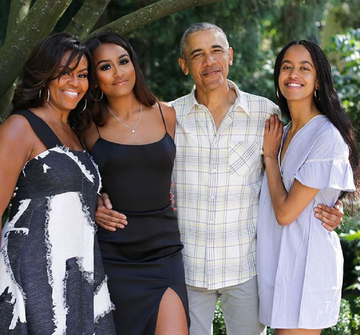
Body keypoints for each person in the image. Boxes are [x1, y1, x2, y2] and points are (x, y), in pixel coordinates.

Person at [95, 23, 344, 335]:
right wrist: (96, 198)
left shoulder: (266, 115)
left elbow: (302, 168)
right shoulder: (168, 118)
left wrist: (333, 205)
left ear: (230, 56)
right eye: (197, 54)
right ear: (184, 66)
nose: (208, 61)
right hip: (187, 269)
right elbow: (130, 169)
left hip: (246, 269)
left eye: (215, 51)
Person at [0, 32, 115, 335]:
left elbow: (68, 195)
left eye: (82, 75)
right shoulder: (19, 127)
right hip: (34, 279)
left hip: (79, 276)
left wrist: (97, 202)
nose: (75, 83)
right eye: (65, 74)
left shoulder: (76, 133)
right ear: (44, 75)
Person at [73, 32, 189, 335]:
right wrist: (92, 203)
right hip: (114, 253)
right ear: (94, 78)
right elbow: (72, 179)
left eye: (123, 61)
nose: (118, 72)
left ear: (134, 65)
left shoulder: (167, 114)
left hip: (164, 249)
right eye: (105, 66)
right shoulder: (87, 128)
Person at [257, 40, 359, 334]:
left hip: (306, 268)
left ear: (317, 81)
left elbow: (286, 213)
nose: (293, 74)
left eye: (305, 68)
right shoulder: (283, 132)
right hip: (279, 262)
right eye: (286, 67)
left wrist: (269, 158)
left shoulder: (325, 135)